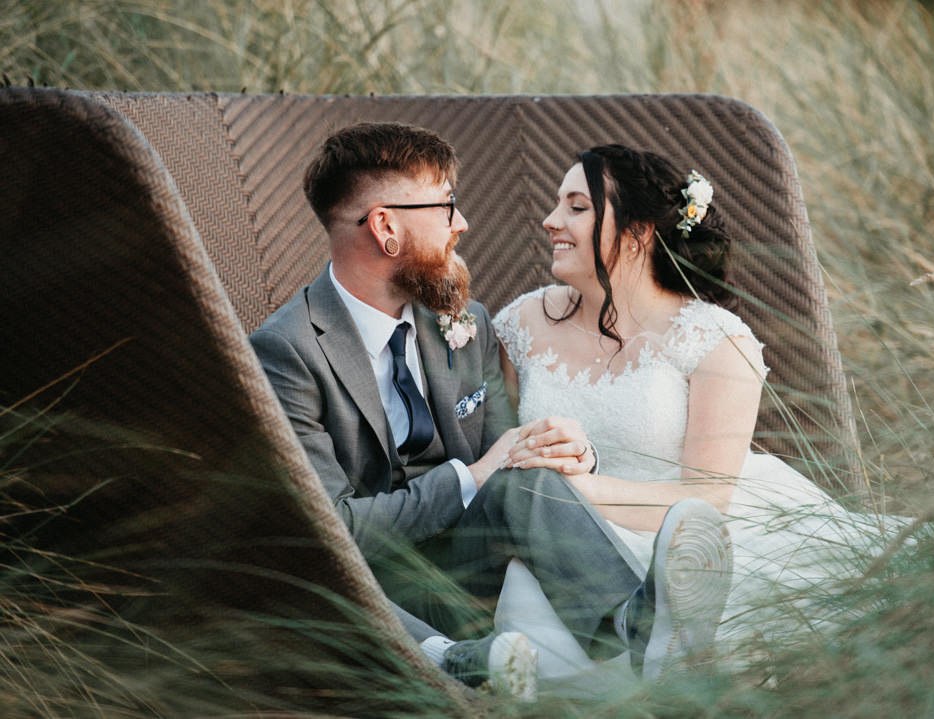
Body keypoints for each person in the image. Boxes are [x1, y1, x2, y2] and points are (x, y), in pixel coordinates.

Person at [249, 125, 729, 695]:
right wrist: (471, 476)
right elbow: (333, 531)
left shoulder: (463, 321)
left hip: (469, 566)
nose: (461, 223)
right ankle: (452, 659)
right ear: (386, 227)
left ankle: (640, 632)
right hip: (368, 598)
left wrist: (570, 451)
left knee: (528, 483)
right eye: (446, 203)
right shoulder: (289, 350)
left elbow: (511, 456)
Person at [492, 144, 910, 686]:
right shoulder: (523, 323)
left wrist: (567, 491)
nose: (551, 221)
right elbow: (497, 451)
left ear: (638, 232)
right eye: (557, 205)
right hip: (552, 539)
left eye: (577, 206)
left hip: (688, 530)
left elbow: (708, 495)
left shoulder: (715, 339)